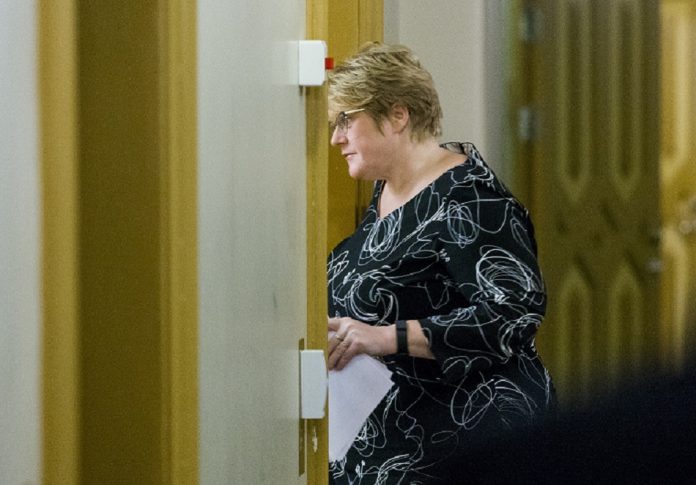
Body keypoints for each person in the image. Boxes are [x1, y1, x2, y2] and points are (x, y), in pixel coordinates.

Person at [326, 42, 555, 484]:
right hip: (394, 439)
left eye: (345, 121)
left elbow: (514, 313)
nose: (336, 138)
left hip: (465, 441)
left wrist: (386, 336)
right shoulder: (388, 191)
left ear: (397, 115)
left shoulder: (471, 199)